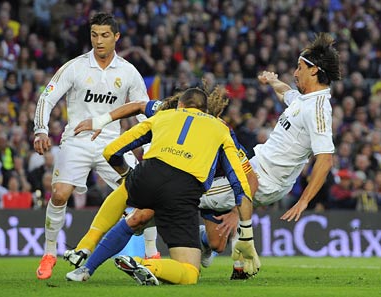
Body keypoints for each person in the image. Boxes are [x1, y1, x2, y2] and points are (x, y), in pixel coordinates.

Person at [65, 84, 260, 279]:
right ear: (206, 110)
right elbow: (241, 181)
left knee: (133, 203)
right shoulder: (221, 129)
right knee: (189, 272)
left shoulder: (164, 113)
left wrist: (128, 175)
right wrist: (246, 231)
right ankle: (142, 264)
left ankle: (86, 258)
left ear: (181, 104)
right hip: (187, 189)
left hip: (164, 177)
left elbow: (110, 150)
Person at [32, 12, 150, 280]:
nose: (99, 40)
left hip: (114, 143)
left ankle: (152, 254)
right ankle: (50, 252)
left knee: (144, 195)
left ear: (116, 37)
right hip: (77, 141)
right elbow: (46, 98)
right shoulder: (75, 67)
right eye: (94, 35)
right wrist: (40, 129)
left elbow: (143, 109)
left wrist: (154, 141)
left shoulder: (128, 71)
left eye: (105, 35)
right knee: (60, 194)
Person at [228, 32, 340, 276]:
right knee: (214, 218)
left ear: (314, 70)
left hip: (266, 178)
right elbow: (286, 91)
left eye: (299, 67)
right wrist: (271, 81)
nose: (295, 72)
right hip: (256, 166)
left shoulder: (319, 109)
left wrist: (304, 201)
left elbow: (325, 159)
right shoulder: (303, 99)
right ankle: (235, 259)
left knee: (194, 190)